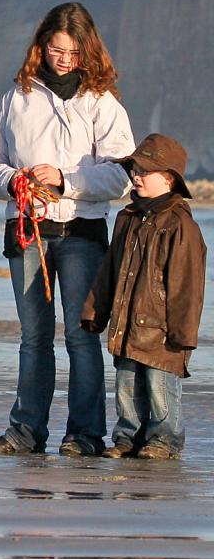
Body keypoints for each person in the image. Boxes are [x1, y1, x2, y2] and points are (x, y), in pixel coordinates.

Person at [0, 1, 134, 457]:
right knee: (33, 337)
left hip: (82, 233)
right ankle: (25, 432)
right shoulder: (15, 98)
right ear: (41, 46)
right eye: (56, 49)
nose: (64, 59)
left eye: (73, 51)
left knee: (81, 337)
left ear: (88, 51)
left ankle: (84, 434)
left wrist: (64, 182)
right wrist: (14, 181)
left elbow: (122, 175)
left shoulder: (103, 102)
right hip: (26, 231)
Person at [80, 134, 206, 460]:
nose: (136, 176)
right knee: (126, 385)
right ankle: (127, 438)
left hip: (163, 328)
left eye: (144, 171)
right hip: (126, 320)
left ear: (168, 178)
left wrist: (183, 333)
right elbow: (109, 270)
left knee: (160, 389)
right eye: (134, 170)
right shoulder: (127, 219)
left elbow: (187, 286)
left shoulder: (181, 225)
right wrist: (95, 310)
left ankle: (164, 440)